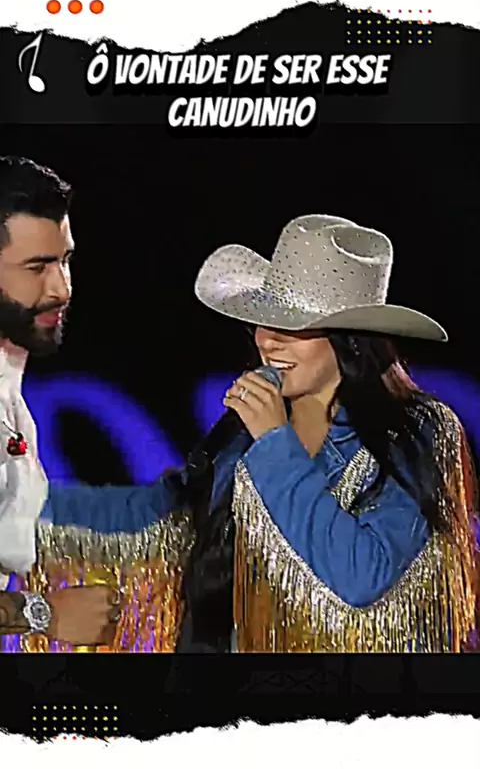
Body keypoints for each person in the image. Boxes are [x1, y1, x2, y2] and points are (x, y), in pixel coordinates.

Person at [33, 213, 478, 653]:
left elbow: (362, 576)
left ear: (352, 338)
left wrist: (274, 441)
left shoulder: (418, 430)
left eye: (293, 325)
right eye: (263, 319)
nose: (267, 340)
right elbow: (158, 514)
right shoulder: (241, 436)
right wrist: (23, 503)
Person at [0, 155, 122, 650]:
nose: (62, 289)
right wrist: (41, 613)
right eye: (37, 267)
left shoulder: (10, 388)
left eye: (64, 260)